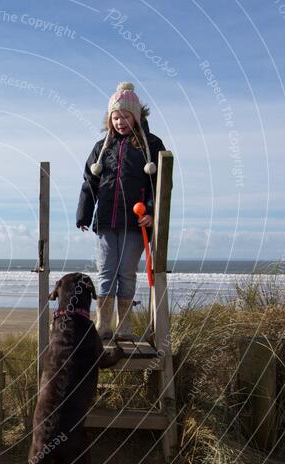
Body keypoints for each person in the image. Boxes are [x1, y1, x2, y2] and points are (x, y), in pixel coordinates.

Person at [76, 82, 165, 340]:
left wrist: (151, 211)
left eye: (125, 116)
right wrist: (84, 213)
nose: (120, 122)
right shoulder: (101, 147)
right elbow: (90, 181)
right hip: (105, 222)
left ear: (136, 116)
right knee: (105, 273)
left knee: (126, 273)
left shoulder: (151, 145)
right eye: (115, 117)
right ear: (109, 118)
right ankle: (103, 327)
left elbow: (159, 184)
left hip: (135, 224)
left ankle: (124, 328)